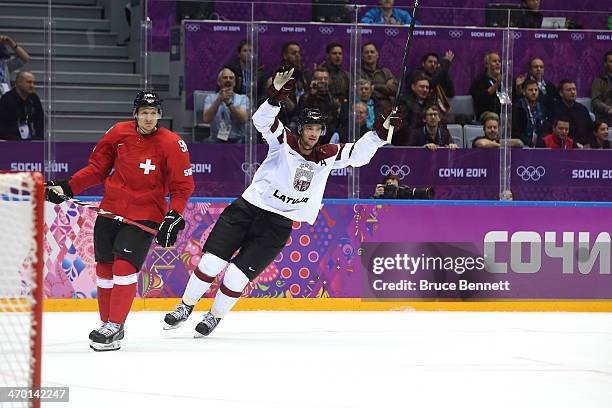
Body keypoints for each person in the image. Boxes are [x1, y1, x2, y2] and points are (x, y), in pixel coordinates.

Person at [163, 66, 400, 337]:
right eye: (309, 128)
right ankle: (185, 306)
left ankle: (214, 316)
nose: (313, 134)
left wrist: (379, 135)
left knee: (238, 277)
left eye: (317, 129)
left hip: (278, 224)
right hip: (247, 209)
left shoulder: (328, 154)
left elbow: (358, 155)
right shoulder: (284, 141)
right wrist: (274, 98)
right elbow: (261, 122)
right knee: (211, 262)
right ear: (300, 128)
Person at [44, 91, 195, 351]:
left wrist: (174, 214)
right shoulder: (118, 133)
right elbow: (96, 169)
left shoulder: (172, 143)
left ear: (159, 114)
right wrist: (68, 188)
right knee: (104, 270)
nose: (149, 118)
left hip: (144, 215)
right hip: (110, 210)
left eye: (153, 112)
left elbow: (182, 186)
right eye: (144, 112)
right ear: (135, 113)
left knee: (124, 268)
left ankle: (115, 325)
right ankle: (108, 324)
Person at [203, 68, 249, 143]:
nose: (228, 80)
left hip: (237, 140)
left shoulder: (243, 98)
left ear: (234, 83)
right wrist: (219, 99)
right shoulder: (210, 98)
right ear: (219, 82)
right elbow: (206, 119)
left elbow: (243, 119)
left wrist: (228, 103)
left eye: (231, 78)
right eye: (225, 78)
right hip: (216, 139)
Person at [0, 71, 44, 140]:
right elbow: (2, 126)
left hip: (31, 139)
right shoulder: (7, 99)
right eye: (29, 82)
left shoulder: (34, 98)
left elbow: (40, 122)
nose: (32, 85)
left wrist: (37, 139)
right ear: (19, 83)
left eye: (33, 82)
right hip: (11, 140)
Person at [549, 79, 594, 147]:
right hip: (563, 147)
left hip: (583, 148)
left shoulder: (582, 109)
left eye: (574, 89)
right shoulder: (554, 110)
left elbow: (590, 130)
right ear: (561, 93)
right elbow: (552, 133)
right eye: (569, 90)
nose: (573, 92)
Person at [298, 67, 340, 133]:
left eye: (325, 79)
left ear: (329, 81)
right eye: (320, 79)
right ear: (314, 80)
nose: (323, 81)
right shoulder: (306, 96)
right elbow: (301, 113)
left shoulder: (333, 95)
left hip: (329, 129)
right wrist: (312, 95)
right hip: (311, 128)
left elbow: (335, 115)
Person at [360, 42, 398, 113]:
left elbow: (395, 90)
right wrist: (385, 88)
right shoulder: (358, 73)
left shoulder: (386, 72)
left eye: (372, 52)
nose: (369, 54)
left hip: (386, 110)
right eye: (366, 52)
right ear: (362, 56)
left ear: (377, 55)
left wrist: (375, 86)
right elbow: (363, 92)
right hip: (366, 110)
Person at [512, 79, 547, 147]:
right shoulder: (518, 107)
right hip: (521, 144)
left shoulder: (542, 107)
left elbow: (544, 128)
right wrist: (527, 142)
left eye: (536, 90)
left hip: (537, 144)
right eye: (530, 90)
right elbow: (515, 132)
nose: (534, 92)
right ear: (524, 92)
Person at [469, 52, 502, 119]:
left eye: (499, 61)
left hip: (502, 117)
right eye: (494, 61)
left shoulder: (505, 81)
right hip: (485, 117)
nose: (498, 63)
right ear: (487, 65)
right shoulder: (479, 81)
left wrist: (518, 88)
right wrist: (496, 85)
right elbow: (480, 98)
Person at [591, 51, 612, 126]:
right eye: (610, 61)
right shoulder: (599, 81)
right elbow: (595, 101)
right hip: (605, 117)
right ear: (605, 64)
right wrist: (608, 109)